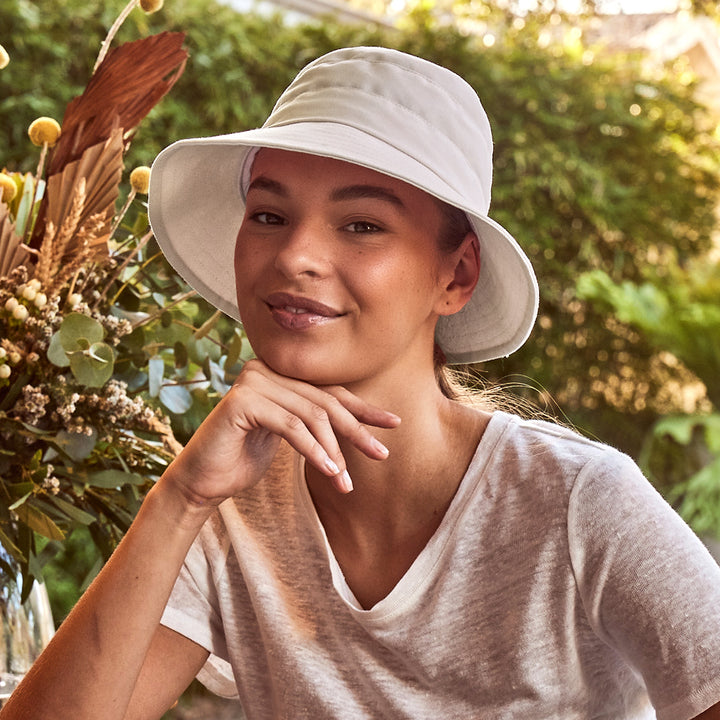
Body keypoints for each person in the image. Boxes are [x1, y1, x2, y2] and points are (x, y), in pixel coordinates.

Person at [3, 46, 720, 720]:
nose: (296, 256)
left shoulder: (578, 502)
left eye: (363, 224)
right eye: (270, 215)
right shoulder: (228, 507)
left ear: (457, 275)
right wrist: (181, 496)